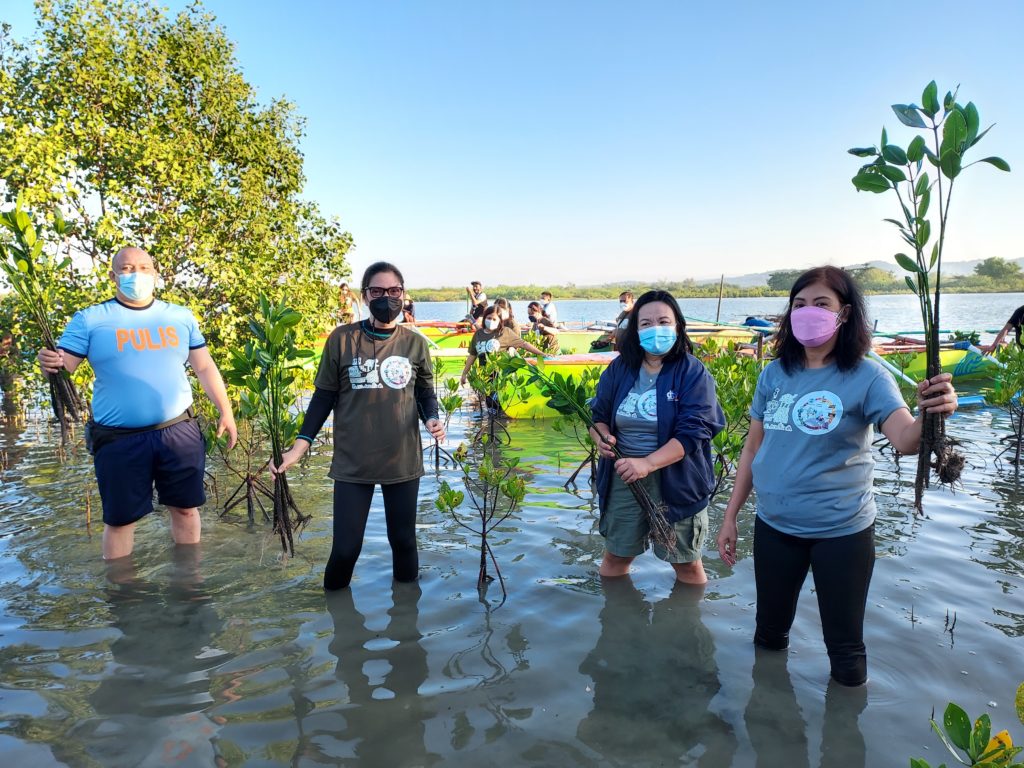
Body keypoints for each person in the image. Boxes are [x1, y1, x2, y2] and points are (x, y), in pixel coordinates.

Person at [715, 266, 958, 687]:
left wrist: (933, 412)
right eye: (799, 304)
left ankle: (845, 723)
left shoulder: (867, 376)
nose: (807, 311)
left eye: (821, 303)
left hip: (841, 531)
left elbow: (905, 439)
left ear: (844, 313)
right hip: (775, 524)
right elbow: (753, 448)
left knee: (845, 651)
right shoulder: (775, 374)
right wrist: (731, 515)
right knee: (769, 634)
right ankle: (767, 711)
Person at [37, 247, 237, 561]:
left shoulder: (180, 316)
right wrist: (48, 362)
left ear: (155, 274)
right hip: (118, 439)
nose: (137, 275)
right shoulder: (89, 319)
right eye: (128, 268)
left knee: (186, 510)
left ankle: (189, 580)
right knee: (119, 522)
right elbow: (64, 367)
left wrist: (226, 411)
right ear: (113, 275)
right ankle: (122, 589)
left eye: (144, 268)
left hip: (178, 431)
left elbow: (204, 367)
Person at [271, 261, 446, 590]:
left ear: (403, 295)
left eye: (394, 291)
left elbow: (424, 393)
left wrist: (432, 418)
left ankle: (407, 613)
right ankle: (336, 613)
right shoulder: (342, 339)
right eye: (377, 291)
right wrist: (298, 448)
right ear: (365, 296)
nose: (386, 298)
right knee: (346, 549)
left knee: (404, 542)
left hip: (402, 459)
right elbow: (323, 397)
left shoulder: (415, 344)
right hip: (353, 461)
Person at [589, 290, 725, 584]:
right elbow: (598, 416)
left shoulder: (692, 371)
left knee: (686, 563)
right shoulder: (619, 368)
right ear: (635, 329)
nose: (655, 329)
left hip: (678, 479)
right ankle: (617, 612)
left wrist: (648, 463)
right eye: (646, 323)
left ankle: (686, 615)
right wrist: (601, 438)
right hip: (624, 477)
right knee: (616, 557)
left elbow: (696, 431)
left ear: (677, 325)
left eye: (663, 321)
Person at [458, 305, 545, 386]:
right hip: (484, 376)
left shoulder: (505, 332)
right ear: (484, 318)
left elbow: (524, 344)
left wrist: (542, 354)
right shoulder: (478, 334)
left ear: (500, 321)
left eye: (494, 319)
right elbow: (472, 355)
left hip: (500, 377)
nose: (491, 321)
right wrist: (464, 374)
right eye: (489, 318)